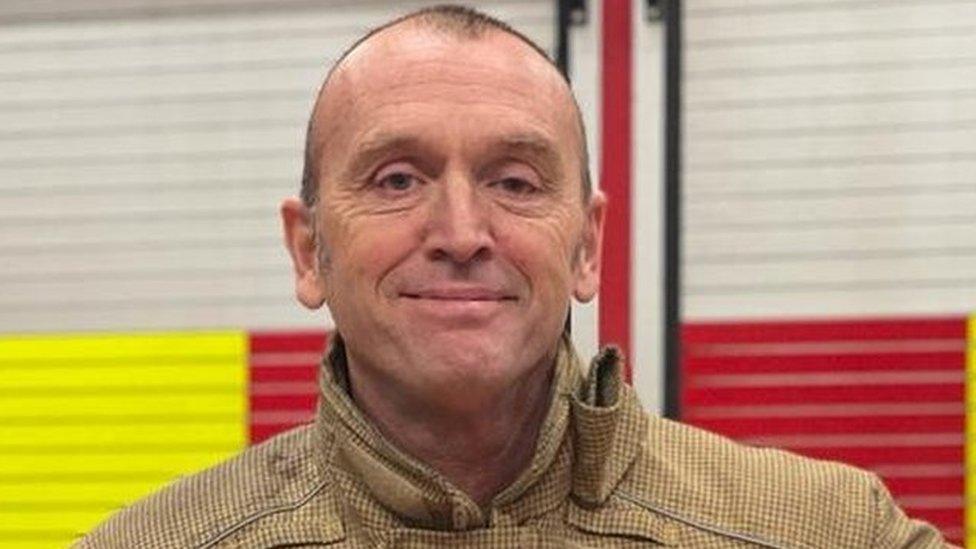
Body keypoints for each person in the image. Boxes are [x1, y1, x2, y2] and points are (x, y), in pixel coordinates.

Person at [78, 5, 952, 548]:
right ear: (309, 250)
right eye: (397, 180)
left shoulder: (831, 531)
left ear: (586, 247)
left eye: (515, 182)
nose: (462, 232)